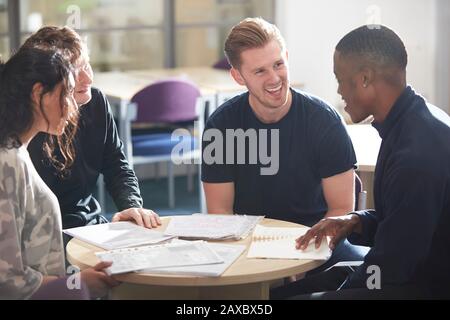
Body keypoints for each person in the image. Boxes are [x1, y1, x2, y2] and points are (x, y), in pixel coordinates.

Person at [274, 25, 450, 299]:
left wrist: (345, 288)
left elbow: (393, 266)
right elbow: (404, 224)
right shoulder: (412, 122)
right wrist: (356, 221)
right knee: (285, 294)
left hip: (424, 285)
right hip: (409, 269)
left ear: (365, 78)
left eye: (340, 79)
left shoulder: (414, 156)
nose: (339, 90)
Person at [201, 17, 368, 271]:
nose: (274, 79)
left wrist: (300, 259)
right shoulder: (221, 126)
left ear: (287, 57)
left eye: (278, 64)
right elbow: (220, 212)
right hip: (249, 246)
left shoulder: (324, 121)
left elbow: (341, 208)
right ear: (238, 76)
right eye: (260, 71)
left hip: (318, 241)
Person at [0, 48, 119, 299]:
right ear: (38, 94)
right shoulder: (7, 163)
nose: (72, 108)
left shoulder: (17, 150)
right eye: (66, 94)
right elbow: (7, 280)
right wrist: (76, 285)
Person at [23, 26, 161, 231]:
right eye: (76, 72)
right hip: (40, 232)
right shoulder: (24, 126)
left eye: (87, 65)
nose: (87, 78)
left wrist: (131, 205)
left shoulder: (95, 102)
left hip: (88, 224)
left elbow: (116, 164)